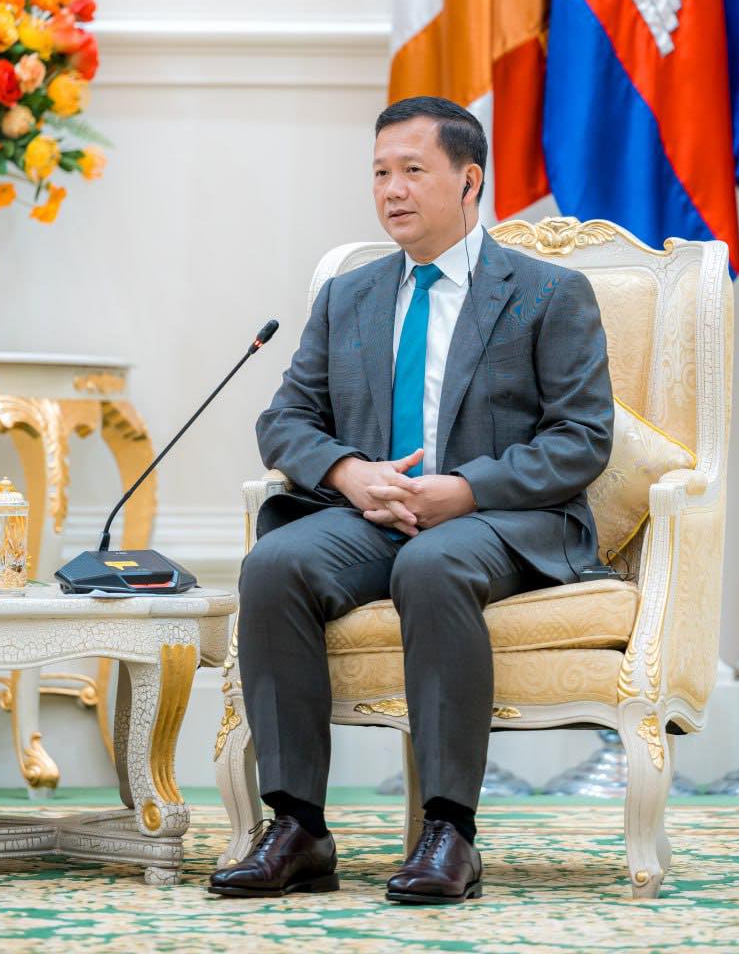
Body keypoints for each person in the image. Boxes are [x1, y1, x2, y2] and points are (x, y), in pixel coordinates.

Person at [209, 96, 614, 904]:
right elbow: (284, 420)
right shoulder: (348, 296)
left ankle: (448, 830)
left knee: (431, 564)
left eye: (412, 171)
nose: (391, 190)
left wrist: (464, 490)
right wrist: (348, 473)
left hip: (497, 520)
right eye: (379, 173)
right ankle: (297, 827)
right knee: (275, 565)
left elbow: (581, 438)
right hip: (370, 514)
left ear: (468, 181)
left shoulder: (546, 293)